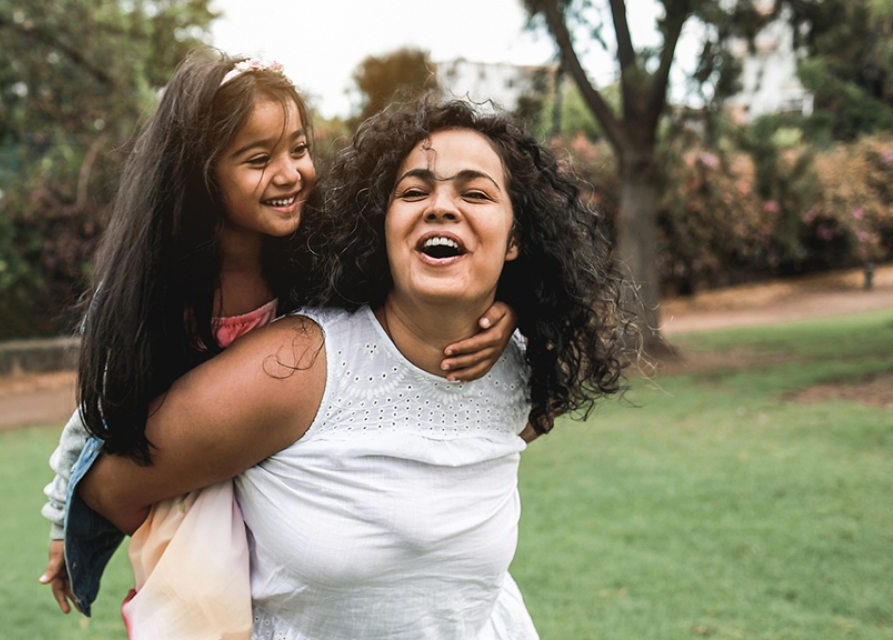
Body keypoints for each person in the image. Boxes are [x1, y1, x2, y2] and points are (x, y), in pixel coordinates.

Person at [76, 100, 635, 639]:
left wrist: (521, 315)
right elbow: (110, 488)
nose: (441, 207)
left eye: (475, 193)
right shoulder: (298, 365)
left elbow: (555, 380)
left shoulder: (521, 371)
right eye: (414, 191)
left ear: (515, 239)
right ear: (383, 225)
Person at [37, 52, 521, 634]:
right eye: (258, 160)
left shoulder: (313, 248)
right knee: (202, 608)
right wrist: (64, 520)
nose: (291, 173)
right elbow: (93, 418)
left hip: (288, 453)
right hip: (200, 477)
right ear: (202, 173)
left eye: (298, 149)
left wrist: (509, 310)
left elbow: (408, 291)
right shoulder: (163, 287)